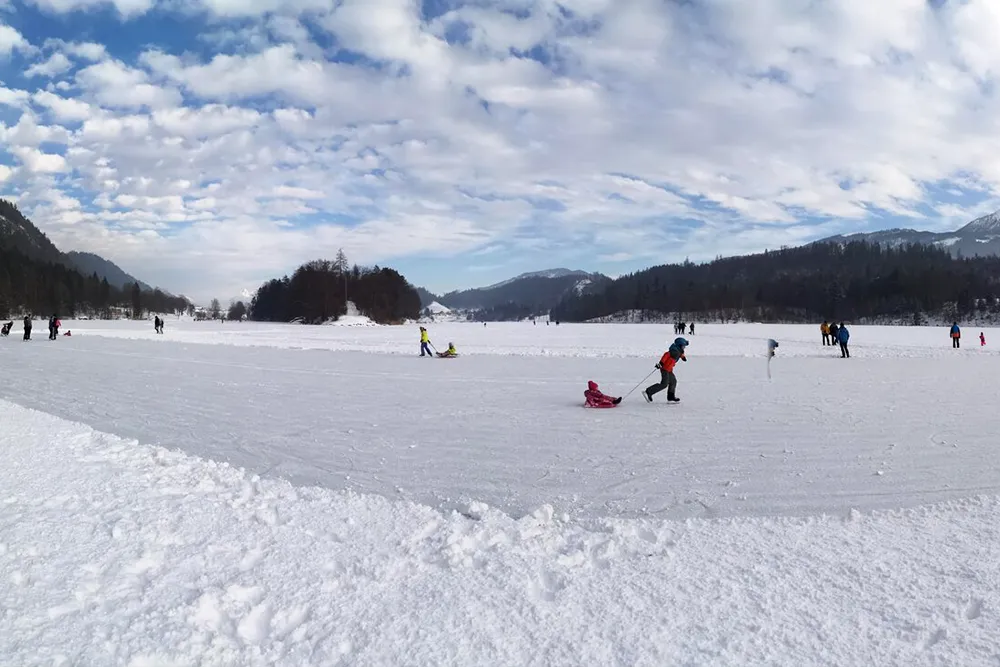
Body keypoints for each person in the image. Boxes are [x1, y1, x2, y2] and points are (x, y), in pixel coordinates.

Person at [644, 337, 688, 403]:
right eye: (683, 346)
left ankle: (670, 397)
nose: (684, 347)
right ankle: (649, 391)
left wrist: (683, 357)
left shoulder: (679, 351)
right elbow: (665, 356)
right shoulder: (672, 351)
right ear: (679, 345)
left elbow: (680, 354)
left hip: (669, 369)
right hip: (664, 369)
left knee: (673, 381)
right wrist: (660, 363)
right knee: (664, 384)